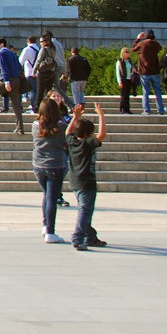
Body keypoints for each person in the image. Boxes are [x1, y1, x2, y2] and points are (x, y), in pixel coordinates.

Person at [66, 103, 108, 251]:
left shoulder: (73, 142)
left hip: (75, 182)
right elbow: (101, 136)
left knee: (86, 210)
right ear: (89, 133)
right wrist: (101, 116)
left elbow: (67, 133)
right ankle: (78, 237)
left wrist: (75, 118)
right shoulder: (87, 144)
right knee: (85, 210)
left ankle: (90, 236)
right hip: (86, 183)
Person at [32, 98, 70, 244]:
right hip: (55, 164)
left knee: (47, 195)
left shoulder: (35, 125)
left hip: (38, 165)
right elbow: (68, 136)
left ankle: (45, 225)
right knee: (51, 198)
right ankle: (50, 231)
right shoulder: (61, 126)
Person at [0, 37, 27, 133]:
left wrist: (7, 81)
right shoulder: (12, 53)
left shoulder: (2, 53)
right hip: (16, 79)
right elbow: (19, 66)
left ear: (2, 44)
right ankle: (20, 127)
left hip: (7, 80)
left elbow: (4, 68)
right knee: (16, 105)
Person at [115, 48, 134, 114]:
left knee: (127, 95)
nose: (128, 53)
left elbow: (131, 69)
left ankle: (127, 109)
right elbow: (118, 72)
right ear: (123, 53)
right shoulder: (120, 61)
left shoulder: (129, 61)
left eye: (128, 52)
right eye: (126, 52)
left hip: (129, 79)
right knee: (123, 95)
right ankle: (122, 108)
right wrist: (119, 81)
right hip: (123, 79)